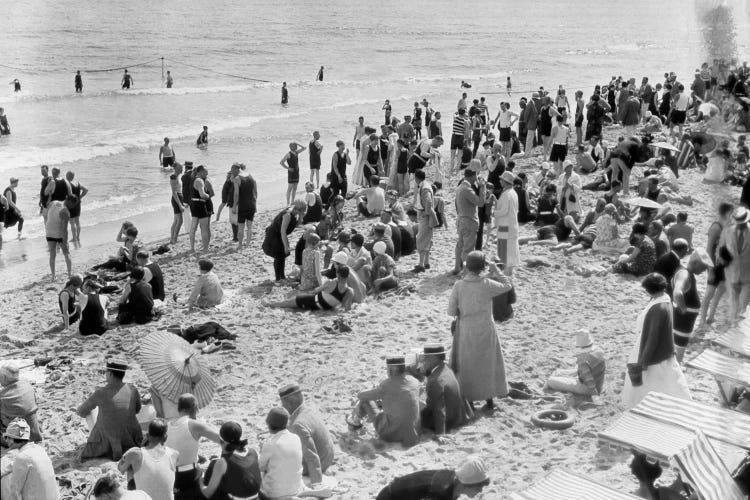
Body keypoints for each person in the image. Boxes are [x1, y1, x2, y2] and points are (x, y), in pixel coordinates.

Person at [449, 251, 512, 409]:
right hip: (485, 327)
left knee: (467, 364)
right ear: (482, 267)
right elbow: (507, 285)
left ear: (467, 267)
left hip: (466, 329)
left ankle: (469, 399)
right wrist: (496, 269)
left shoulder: (459, 285)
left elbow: (450, 311)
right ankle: (489, 398)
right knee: (487, 363)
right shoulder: (487, 283)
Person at [622, 273, 692, 409]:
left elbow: (652, 338)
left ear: (649, 290)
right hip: (665, 349)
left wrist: (643, 361)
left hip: (653, 352)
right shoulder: (666, 299)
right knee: (669, 380)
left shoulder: (657, 308)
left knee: (648, 383)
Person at [77, 359, 143, 460]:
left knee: (90, 412)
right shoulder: (133, 389)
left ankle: (105, 444)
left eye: (106, 372)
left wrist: (78, 409)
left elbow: (82, 412)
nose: (105, 373)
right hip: (131, 440)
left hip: (108, 444)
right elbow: (137, 410)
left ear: (111, 374)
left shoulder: (101, 392)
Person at [348, 356, 420, 447]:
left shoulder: (386, 384)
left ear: (390, 370)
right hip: (412, 435)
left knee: (365, 401)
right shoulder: (415, 381)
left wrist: (372, 391)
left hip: (391, 436)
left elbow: (360, 395)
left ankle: (355, 423)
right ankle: (355, 422)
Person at [164, 394, 220, 499]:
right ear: (194, 408)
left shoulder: (167, 425)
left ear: (179, 408)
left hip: (170, 475)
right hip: (188, 475)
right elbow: (221, 439)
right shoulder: (194, 425)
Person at [277, 384, 334, 486]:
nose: (282, 406)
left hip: (320, 463)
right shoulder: (307, 410)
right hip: (328, 457)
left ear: (290, 403)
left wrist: (316, 483)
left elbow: (311, 456)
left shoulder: (298, 425)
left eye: (283, 403)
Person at [375, 456, 490, 500]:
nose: (480, 490)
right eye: (478, 486)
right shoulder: (440, 492)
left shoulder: (452, 477)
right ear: (466, 483)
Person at [118, 419, 178, 500]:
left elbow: (121, 469)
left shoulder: (135, 453)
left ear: (147, 436)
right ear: (165, 437)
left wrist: (125, 456)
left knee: (131, 469)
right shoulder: (174, 454)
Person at [199, 421, 261, 500]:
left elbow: (207, 493)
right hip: (257, 497)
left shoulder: (222, 462)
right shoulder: (252, 452)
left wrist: (200, 482)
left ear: (221, 440)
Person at [697, 202, 734, 329]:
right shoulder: (716, 227)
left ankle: (711, 316)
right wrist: (711, 270)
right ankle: (702, 319)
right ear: (727, 213)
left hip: (725, 265)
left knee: (720, 291)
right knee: (709, 293)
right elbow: (708, 250)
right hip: (715, 265)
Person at [419, 345, 469, 436]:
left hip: (448, 421)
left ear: (433, 358)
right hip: (458, 416)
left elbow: (439, 409)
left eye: (425, 358)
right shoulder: (446, 369)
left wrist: (440, 433)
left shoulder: (435, 381)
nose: (423, 361)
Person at [3, 419, 58, 500]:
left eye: (6, 437)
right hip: (54, 497)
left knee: (5, 481)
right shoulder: (39, 449)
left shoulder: (22, 457)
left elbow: (14, 491)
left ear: (12, 439)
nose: (6, 440)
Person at [672, 249, 711, 362]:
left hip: (684, 323)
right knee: (679, 349)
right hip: (682, 323)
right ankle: (677, 370)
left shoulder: (687, 274)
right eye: (703, 268)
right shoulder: (685, 275)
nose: (704, 271)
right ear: (695, 263)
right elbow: (677, 293)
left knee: (678, 348)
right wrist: (683, 309)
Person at [257, 408, 304, 500]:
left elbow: (260, 467)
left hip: (274, 494)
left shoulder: (270, 443)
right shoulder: (296, 438)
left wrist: (261, 450)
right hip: (295, 489)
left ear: (269, 424)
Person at [545, 330, 606, 397]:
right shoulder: (599, 350)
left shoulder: (583, 359)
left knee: (550, 381)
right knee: (558, 372)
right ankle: (557, 377)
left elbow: (590, 383)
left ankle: (552, 380)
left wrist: (594, 394)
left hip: (587, 388)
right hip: (598, 382)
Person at [266, 264, 354, 311]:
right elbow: (347, 308)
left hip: (313, 303)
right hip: (326, 308)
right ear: (347, 275)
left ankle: (270, 304)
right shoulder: (349, 291)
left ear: (337, 274)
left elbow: (314, 291)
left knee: (288, 302)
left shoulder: (331, 283)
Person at [717, 207, 750, 323]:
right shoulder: (728, 231)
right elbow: (722, 247)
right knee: (734, 297)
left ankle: (739, 316)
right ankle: (733, 320)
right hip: (732, 270)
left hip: (748, 272)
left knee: (744, 299)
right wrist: (722, 259)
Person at [262, 200, 307, 282]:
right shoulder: (287, 215)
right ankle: (278, 279)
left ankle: (282, 276)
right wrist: (286, 246)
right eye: (302, 211)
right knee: (279, 256)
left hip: (279, 236)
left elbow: (296, 225)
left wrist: (301, 217)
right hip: (274, 236)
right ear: (298, 209)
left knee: (282, 256)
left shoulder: (293, 214)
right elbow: (283, 231)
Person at [454, 162, 485, 274]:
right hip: (469, 222)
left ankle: (457, 267)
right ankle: (466, 273)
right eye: (476, 176)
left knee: (460, 245)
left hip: (461, 220)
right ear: (472, 176)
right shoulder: (467, 189)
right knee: (468, 249)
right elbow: (480, 202)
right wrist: (482, 187)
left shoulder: (460, 187)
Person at [0, 365, 43, 446]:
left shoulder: (2, 396)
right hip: (34, 434)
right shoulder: (27, 386)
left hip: (18, 440)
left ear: (4, 378)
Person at [493, 171, 519, 276]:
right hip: (511, 224)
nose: (500, 181)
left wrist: (493, 213)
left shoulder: (506, 194)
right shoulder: (513, 193)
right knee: (511, 249)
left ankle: (506, 272)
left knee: (504, 250)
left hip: (505, 225)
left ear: (505, 181)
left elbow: (503, 211)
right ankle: (509, 271)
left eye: (501, 180)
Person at [413, 169, 438, 273]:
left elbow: (427, 201)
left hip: (425, 216)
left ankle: (421, 264)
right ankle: (426, 262)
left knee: (421, 239)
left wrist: (426, 212)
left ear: (416, 178)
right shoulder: (426, 185)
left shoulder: (424, 188)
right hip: (426, 215)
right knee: (427, 239)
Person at [45, 197, 73, 281]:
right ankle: (69, 274)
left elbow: (47, 207)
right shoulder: (65, 211)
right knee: (66, 253)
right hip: (59, 234)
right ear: (70, 202)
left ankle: (53, 276)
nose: (73, 206)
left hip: (49, 231)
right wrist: (65, 240)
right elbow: (64, 229)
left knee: (52, 255)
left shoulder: (54, 202)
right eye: (73, 204)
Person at [231, 163, 258, 251]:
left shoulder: (237, 179)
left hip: (243, 205)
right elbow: (255, 192)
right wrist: (255, 203)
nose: (232, 173)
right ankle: (248, 245)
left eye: (232, 171)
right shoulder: (250, 175)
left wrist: (234, 206)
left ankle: (240, 245)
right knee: (249, 226)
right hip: (251, 204)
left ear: (235, 169)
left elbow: (236, 194)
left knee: (241, 227)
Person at [188, 165, 212, 253]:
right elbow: (202, 195)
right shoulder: (200, 181)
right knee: (204, 227)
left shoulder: (193, 179)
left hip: (193, 204)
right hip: (200, 204)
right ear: (201, 171)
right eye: (206, 172)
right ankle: (205, 249)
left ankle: (192, 248)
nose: (207, 174)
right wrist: (208, 195)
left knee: (193, 226)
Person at [65, 170, 87, 242]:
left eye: (66, 175)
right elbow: (86, 190)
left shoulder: (67, 184)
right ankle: (77, 237)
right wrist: (80, 197)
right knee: (77, 221)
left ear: (67, 176)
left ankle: (74, 238)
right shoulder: (77, 183)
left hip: (71, 205)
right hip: (78, 204)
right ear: (73, 177)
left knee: (72, 222)